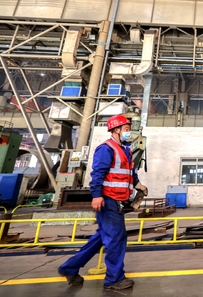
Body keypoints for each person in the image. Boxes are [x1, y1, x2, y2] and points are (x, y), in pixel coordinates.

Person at [58, 115, 148, 290]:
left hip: (117, 200)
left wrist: (139, 186)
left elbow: (129, 174)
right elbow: (98, 173)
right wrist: (97, 195)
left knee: (101, 238)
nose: (129, 133)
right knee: (116, 239)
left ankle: (68, 268)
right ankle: (114, 279)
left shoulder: (126, 150)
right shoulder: (106, 149)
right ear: (116, 130)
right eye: (127, 129)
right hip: (108, 200)